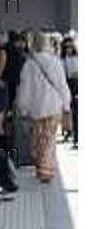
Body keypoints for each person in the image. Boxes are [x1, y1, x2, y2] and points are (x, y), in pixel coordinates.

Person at [16, 33, 72, 183]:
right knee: (49, 139)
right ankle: (45, 169)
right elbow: (62, 85)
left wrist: (22, 107)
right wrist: (66, 104)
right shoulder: (55, 62)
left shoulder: (28, 64)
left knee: (37, 139)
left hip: (36, 109)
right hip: (53, 107)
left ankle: (42, 168)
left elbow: (24, 88)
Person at [2, 31, 27, 109]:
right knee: (12, 96)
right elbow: (22, 63)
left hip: (4, 77)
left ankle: (7, 110)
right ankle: (9, 111)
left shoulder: (3, 48)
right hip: (14, 78)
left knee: (6, 96)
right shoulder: (17, 51)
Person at [61, 37, 78, 146]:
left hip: (77, 84)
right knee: (69, 111)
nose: (69, 49)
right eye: (66, 47)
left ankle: (76, 137)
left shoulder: (78, 58)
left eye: (71, 46)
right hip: (67, 85)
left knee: (76, 112)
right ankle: (69, 132)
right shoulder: (61, 60)